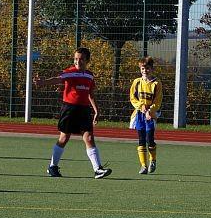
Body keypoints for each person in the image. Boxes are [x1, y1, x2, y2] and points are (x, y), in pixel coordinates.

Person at [35, 47, 111, 179]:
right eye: (76, 59)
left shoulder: (89, 75)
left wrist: (96, 110)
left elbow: (90, 94)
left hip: (84, 110)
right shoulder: (70, 72)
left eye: (81, 59)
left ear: (87, 60)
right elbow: (57, 79)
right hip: (69, 109)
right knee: (64, 138)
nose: (78, 61)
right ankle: (52, 166)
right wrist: (43, 82)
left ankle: (98, 169)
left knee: (89, 138)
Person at [128, 56, 163, 174]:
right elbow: (133, 98)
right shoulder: (137, 82)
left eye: (147, 68)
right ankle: (143, 165)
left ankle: (153, 160)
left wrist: (150, 111)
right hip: (140, 114)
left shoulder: (156, 83)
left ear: (152, 69)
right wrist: (141, 106)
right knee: (141, 140)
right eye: (143, 68)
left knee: (150, 139)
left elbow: (157, 101)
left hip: (150, 115)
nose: (145, 71)